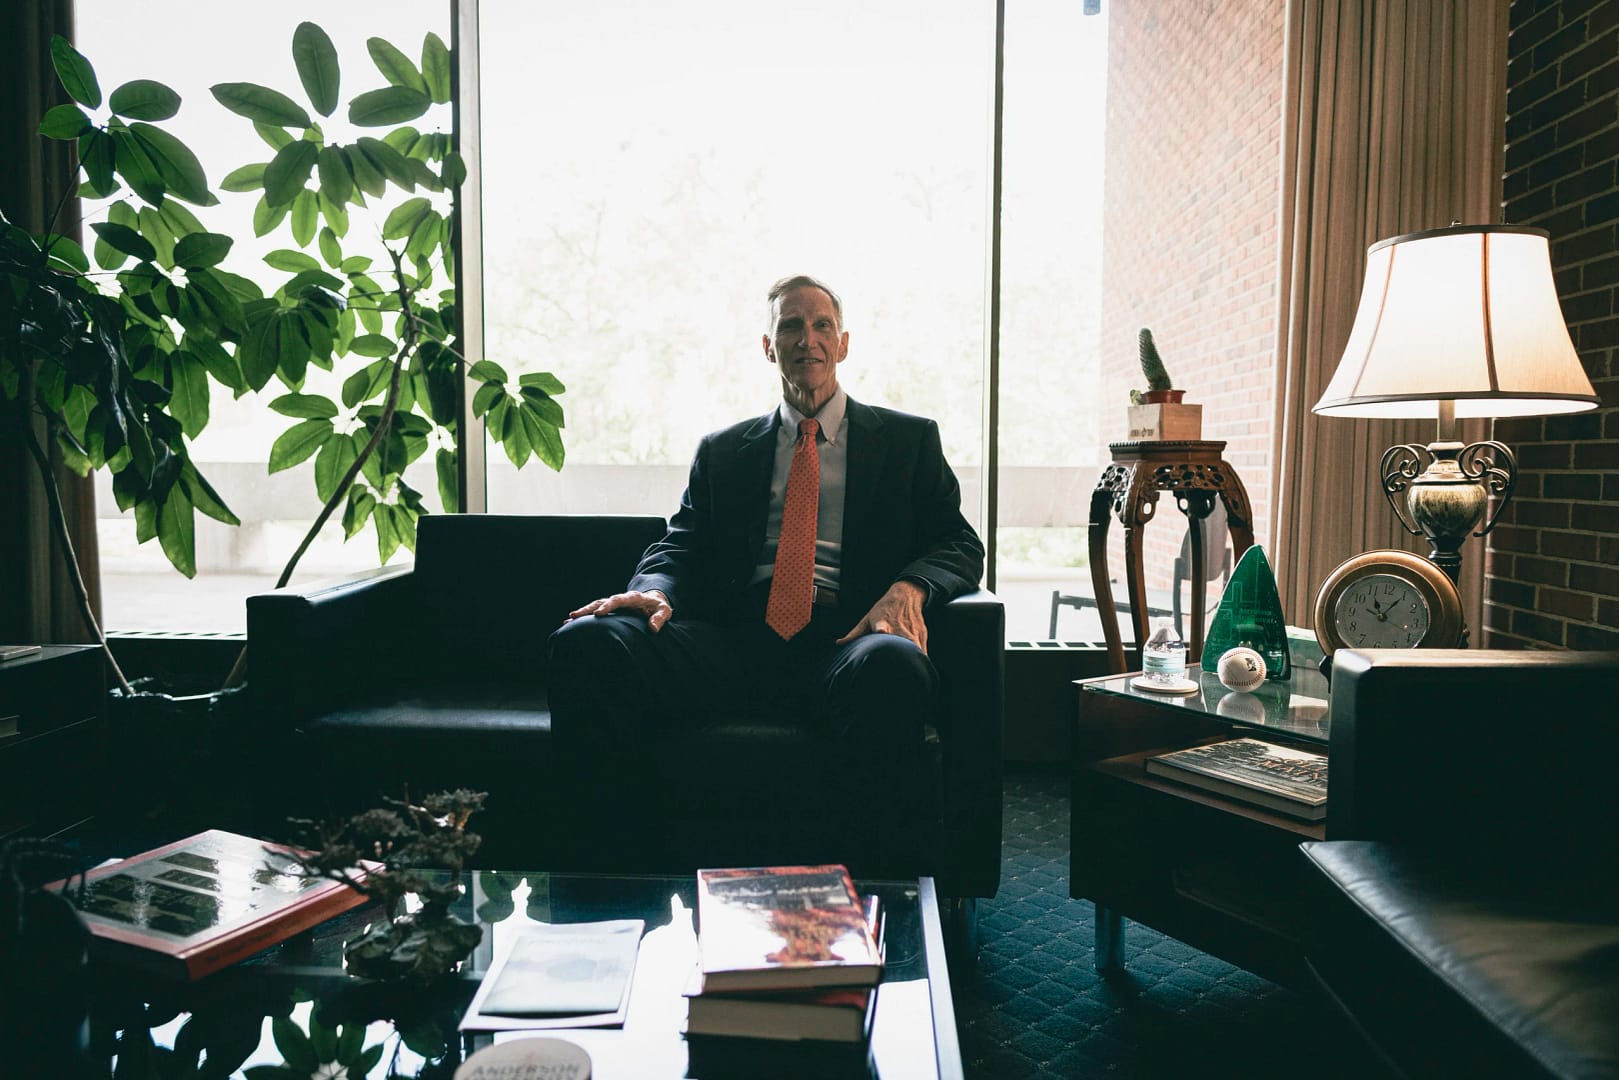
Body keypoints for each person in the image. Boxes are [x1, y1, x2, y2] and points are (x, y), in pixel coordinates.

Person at [547, 274, 983, 803]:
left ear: (843, 343)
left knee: (893, 665)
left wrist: (909, 586)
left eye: (823, 326)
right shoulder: (724, 450)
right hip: (732, 641)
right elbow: (680, 544)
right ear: (768, 347)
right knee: (589, 641)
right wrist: (656, 589)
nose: (808, 340)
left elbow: (958, 542)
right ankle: (604, 870)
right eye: (791, 327)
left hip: (846, 641)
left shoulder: (908, 441)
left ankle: (871, 880)